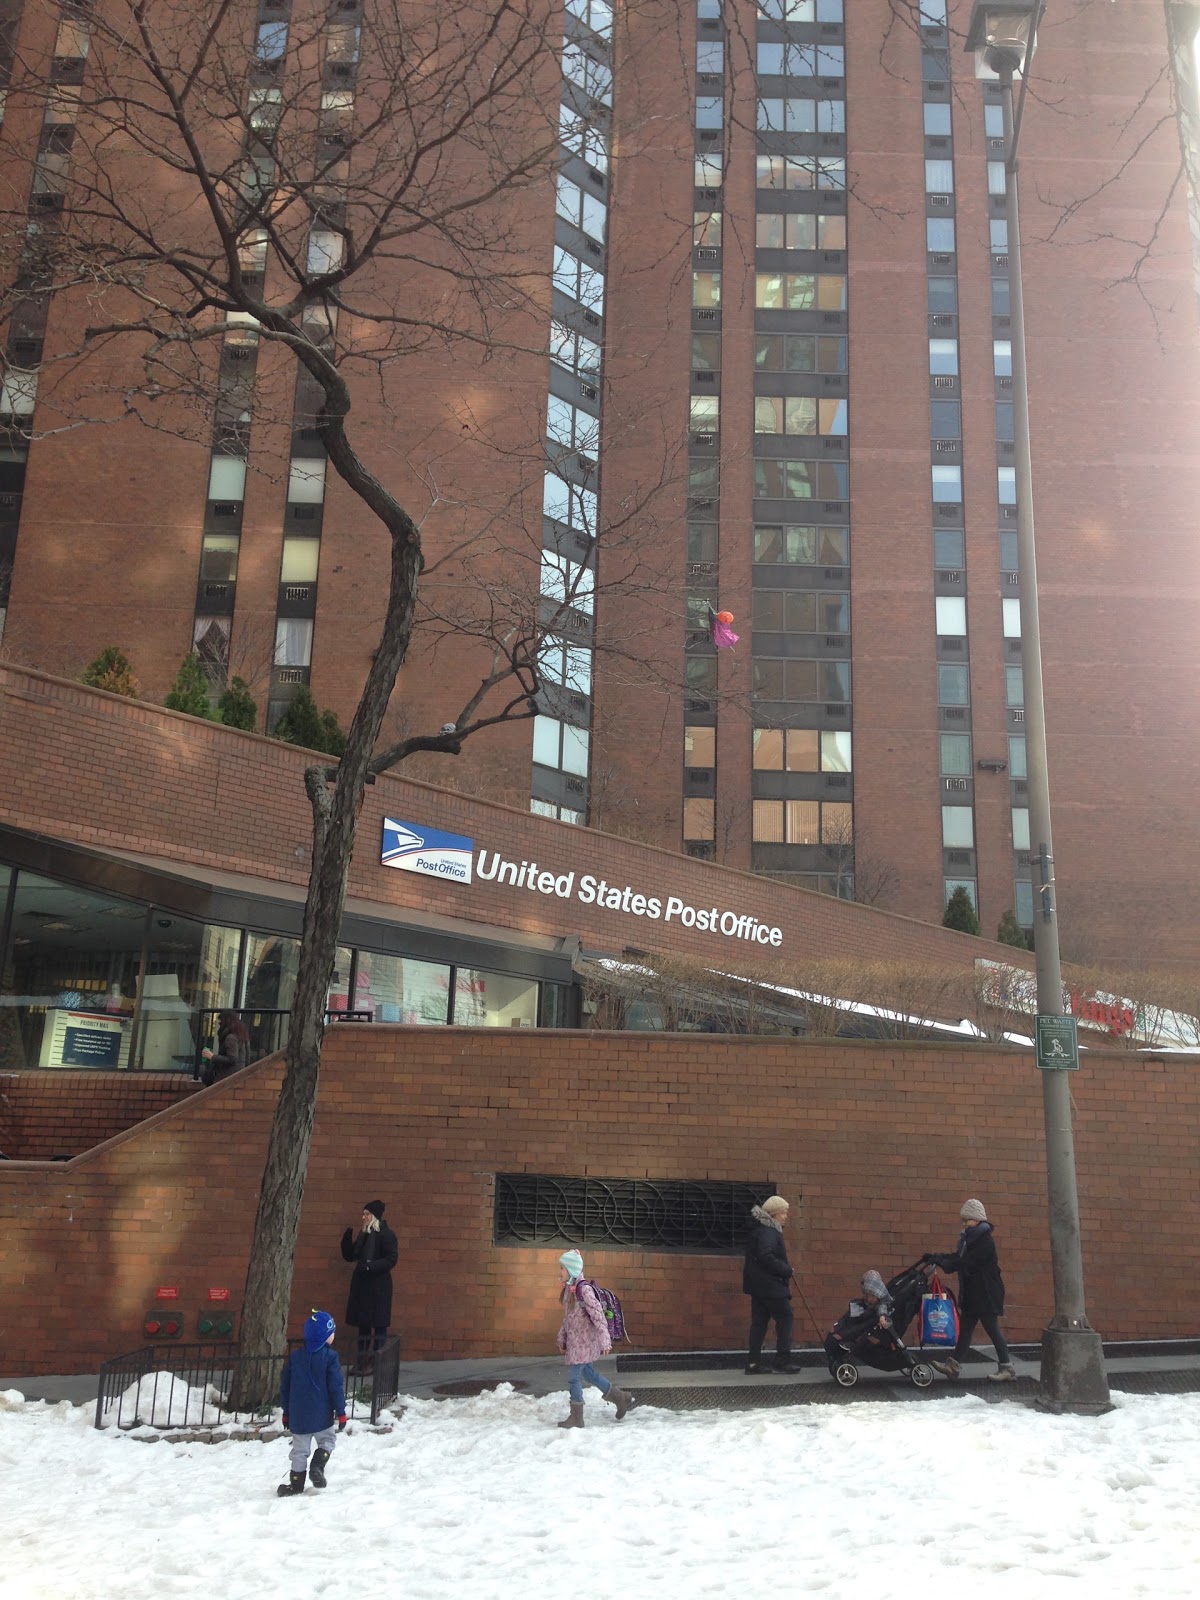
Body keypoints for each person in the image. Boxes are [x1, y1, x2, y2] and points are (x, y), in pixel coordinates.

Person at [922, 1198, 1016, 1381]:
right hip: (974, 1293)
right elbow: (957, 1259)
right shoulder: (968, 1241)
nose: (964, 1224)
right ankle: (953, 1365)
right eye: (963, 1221)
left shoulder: (984, 1241)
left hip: (986, 1293)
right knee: (965, 1329)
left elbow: (966, 1262)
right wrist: (938, 1257)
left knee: (991, 1328)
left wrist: (943, 1261)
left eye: (967, 1220)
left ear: (978, 1219)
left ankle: (1007, 1368)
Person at [555, 1249, 635, 1428]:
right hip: (578, 1343)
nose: (559, 1272)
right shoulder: (570, 1290)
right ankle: (620, 1398)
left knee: (574, 1378)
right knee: (589, 1374)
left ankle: (577, 1417)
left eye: (562, 1268)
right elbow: (568, 1319)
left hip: (586, 1343)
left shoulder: (584, 1290)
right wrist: (562, 1339)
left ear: (571, 1269)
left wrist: (605, 1339)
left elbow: (598, 1315)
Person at [277, 1308, 347, 1497]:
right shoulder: (330, 1357)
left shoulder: (295, 1357)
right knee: (327, 1440)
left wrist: (286, 1412)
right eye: (332, 1333)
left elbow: (286, 1386)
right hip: (321, 1413)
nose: (333, 1336)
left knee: (299, 1451)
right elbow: (335, 1387)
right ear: (326, 1336)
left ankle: (296, 1485)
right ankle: (317, 1465)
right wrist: (341, 1411)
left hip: (298, 1415)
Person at [743, 1194, 800, 1375]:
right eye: (783, 1213)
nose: (785, 1216)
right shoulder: (769, 1231)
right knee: (786, 1318)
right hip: (771, 1286)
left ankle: (753, 1363)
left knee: (759, 1323)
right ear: (774, 1214)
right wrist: (786, 1269)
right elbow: (766, 1256)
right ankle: (782, 1360)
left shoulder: (759, 1229)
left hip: (758, 1286)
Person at [341, 1200, 399, 1368]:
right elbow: (352, 1255)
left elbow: (391, 1259)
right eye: (364, 1214)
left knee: (379, 1326)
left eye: (367, 1214)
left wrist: (370, 1266)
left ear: (375, 1216)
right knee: (363, 1326)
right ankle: (362, 1361)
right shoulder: (363, 1234)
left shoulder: (386, 1235)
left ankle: (377, 1363)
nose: (364, 1217)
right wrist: (346, 1243)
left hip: (379, 1287)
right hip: (363, 1286)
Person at [199, 1010, 250, 1085]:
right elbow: (247, 1059)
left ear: (226, 1022)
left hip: (227, 1077)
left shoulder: (231, 1038)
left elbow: (233, 1059)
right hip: (237, 1077)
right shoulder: (242, 1037)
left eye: (220, 1023)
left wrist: (212, 1056)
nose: (219, 1026)